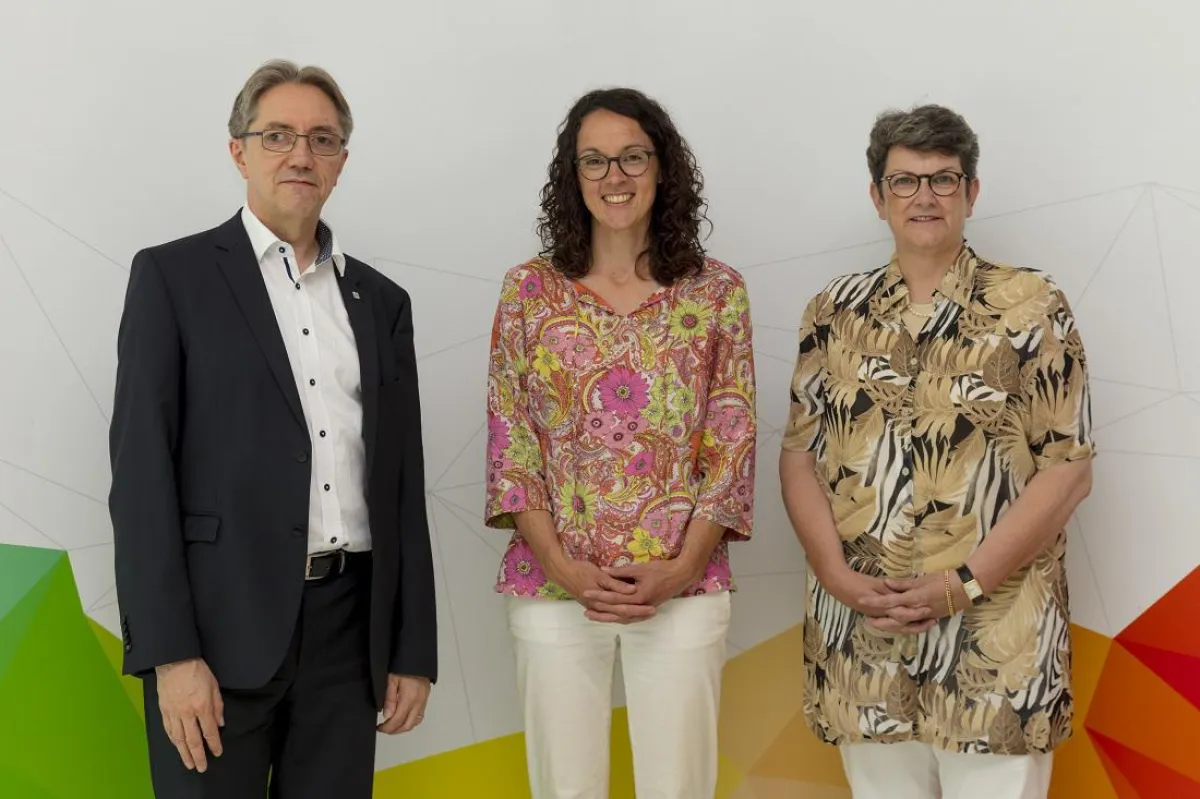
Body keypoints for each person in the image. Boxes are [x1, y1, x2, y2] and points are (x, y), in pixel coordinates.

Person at [108, 59, 437, 799]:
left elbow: (402, 484)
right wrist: (170, 654)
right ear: (239, 151)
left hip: (348, 637)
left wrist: (411, 648)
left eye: (322, 140)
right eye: (279, 135)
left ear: (342, 163)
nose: (301, 155)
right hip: (217, 635)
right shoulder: (173, 278)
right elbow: (141, 479)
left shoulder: (381, 302)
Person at [779, 103, 1095, 799]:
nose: (924, 197)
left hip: (994, 646)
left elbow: (1068, 471)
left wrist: (965, 582)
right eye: (904, 181)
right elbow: (799, 454)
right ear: (877, 197)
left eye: (943, 180)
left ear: (971, 192)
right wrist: (835, 575)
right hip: (865, 642)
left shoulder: (1032, 305)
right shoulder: (832, 312)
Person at [483, 87, 757, 798]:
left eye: (633, 157)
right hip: (553, 588)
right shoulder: (529, 293)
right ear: (571, 177)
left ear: (663, 168)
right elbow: (512, 449)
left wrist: (678, 569)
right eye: (595, 161)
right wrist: (566, 569)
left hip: (683, 588)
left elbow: (730, 447)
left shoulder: (716, 291)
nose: (615, 177)